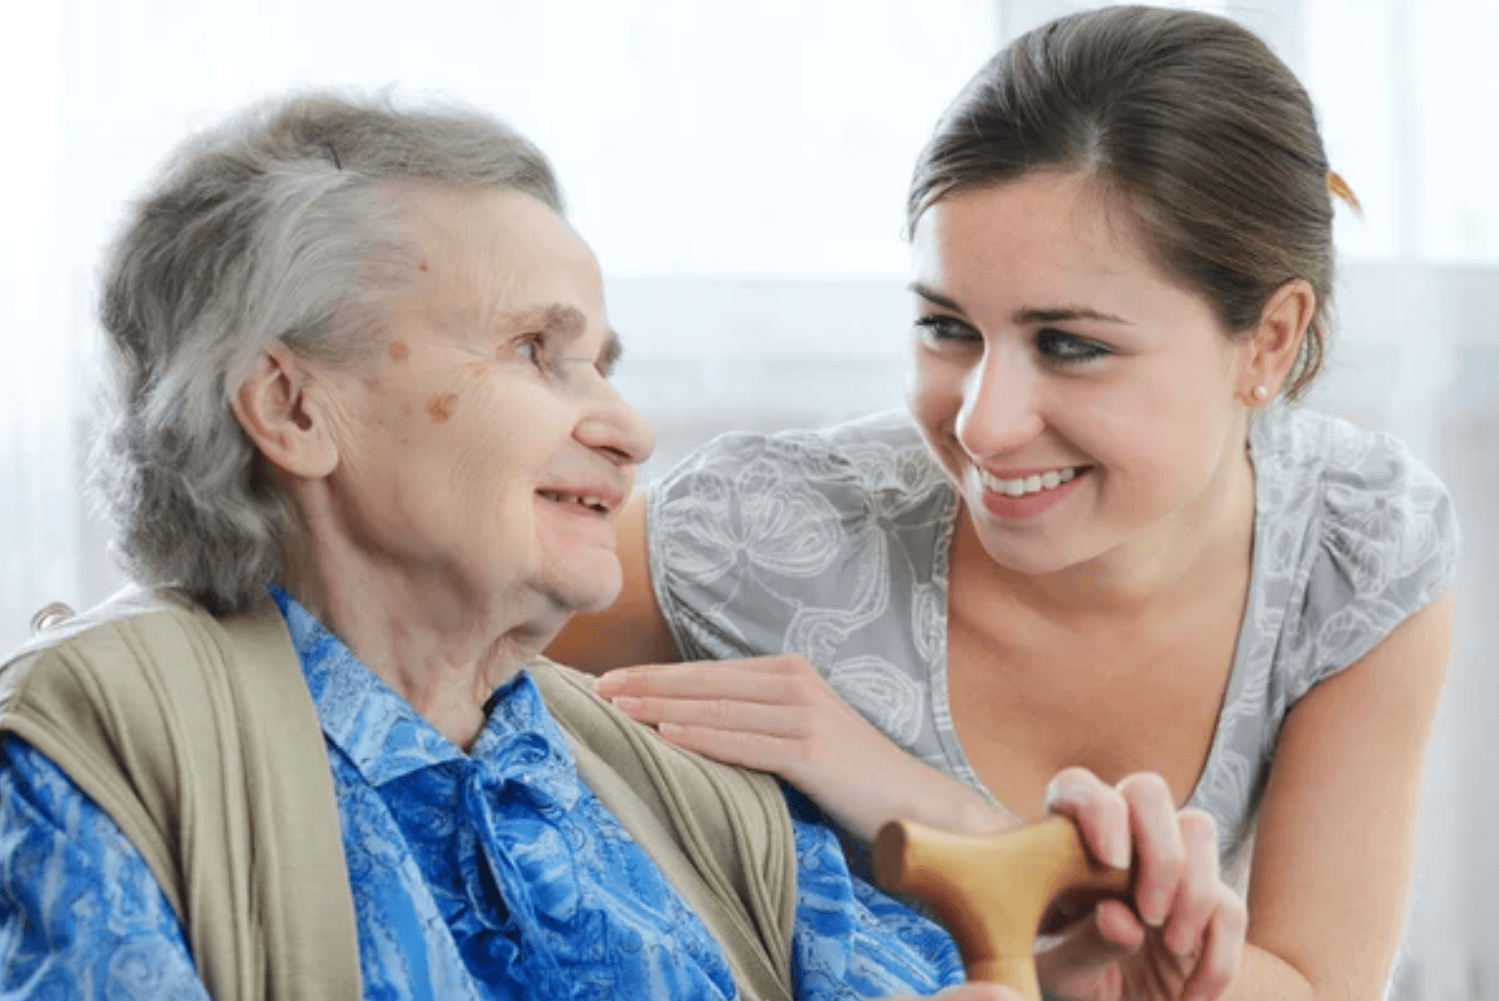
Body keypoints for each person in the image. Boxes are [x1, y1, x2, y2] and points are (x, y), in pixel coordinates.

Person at [0, 93, 1241, 1001]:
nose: (628, 426)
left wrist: (1081, 982)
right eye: (537, 353)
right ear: (291, 407)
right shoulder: (91, 748)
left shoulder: (680, 792)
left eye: (602, 362)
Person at [548, 6, 1459, 1000]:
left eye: (1069, 343)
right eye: (946, 326)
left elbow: (1314, 984)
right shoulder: (759, 539)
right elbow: (394, 670)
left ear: (1269, 341)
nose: (982, 426)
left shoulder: (1357, 551)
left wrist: (973, 835)